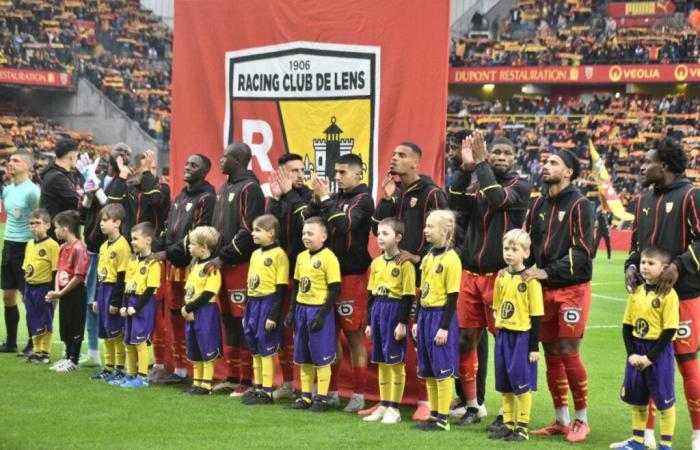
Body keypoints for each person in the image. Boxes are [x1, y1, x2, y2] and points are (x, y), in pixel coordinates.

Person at [448, 132, 531, 427]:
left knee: (505, 344)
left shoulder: (521, 186)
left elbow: (496, 198)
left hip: (501, 278)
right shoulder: (476, 181)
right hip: (470, 274)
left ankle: (506, 413)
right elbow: (452, 201)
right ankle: (473, 405)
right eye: (496, 153)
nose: (500, 158)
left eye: (506, 154)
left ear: (515, 158)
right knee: (465, 341)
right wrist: (465, 169)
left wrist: (480, 164)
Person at [623, 138, 700, 450]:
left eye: (648, 161)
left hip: (683, 296)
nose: (643, 166)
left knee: (686, 364)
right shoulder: (643, 199)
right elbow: (635, 244)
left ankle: (697, 435)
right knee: (645, 360)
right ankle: (645, 437)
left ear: (664, 166)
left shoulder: (691, 195)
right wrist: (630, 265)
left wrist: (678, 267)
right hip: (646, 299)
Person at [371, 142, 448, 420]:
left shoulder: (431, 193)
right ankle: (388, 401)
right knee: (395, 337)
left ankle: (427, 401)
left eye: (401, 155)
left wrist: (418, 258)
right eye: (393, 154)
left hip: (425, 279)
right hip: (395, 278)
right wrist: (388, 200)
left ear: (415, 162)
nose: (394, 158)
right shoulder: (396, 193)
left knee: (421, 337)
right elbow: (377, 229)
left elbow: (445, 233)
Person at [524, 149, 594, 442]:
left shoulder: (580, 204)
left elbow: (583, 253)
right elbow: (527, 243)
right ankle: (561, 419)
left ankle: (582, 419)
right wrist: (517, 268)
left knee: (567, 350)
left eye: (553, 163)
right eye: (545, 162)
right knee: (550, 353)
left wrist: (547, 272)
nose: (546, 166)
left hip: (571, 288)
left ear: (568, 172)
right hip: (545, 288)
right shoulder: (539, 203)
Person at [304, 153, 375, 411]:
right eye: (336, 172)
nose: (337, 177)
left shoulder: (363, 200)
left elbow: (344, 226)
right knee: (328, 336)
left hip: (351, 277)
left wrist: (324, 199)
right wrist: (315, 202)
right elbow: (310, 225)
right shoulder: (333, 199)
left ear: (359, 174)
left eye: (343, 172)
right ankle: (331, 391)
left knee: (354, 336)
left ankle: (359, 395)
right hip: (324, 277)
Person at [149, 154, 216, 385]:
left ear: (204, 172)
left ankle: (192, 372)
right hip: (172, 267)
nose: (187, 167)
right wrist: (155, 248)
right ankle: (177, 369)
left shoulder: (207, 198)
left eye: (193, 165)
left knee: (191, 315)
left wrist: (167, 253)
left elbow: (197, 235)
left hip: (191, 267)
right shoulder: (179, 196)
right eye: (187, 163)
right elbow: (167, 229)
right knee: (175, 316)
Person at [207, 143, 264, 396]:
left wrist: (224, 257)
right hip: (221, 263)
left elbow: (247, 231)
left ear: (239, 159)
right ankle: (231, 375)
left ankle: (248, 380)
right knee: (228, 320)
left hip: (239, 265)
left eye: (225, 156)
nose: (220, 160)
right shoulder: (224, 187)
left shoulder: (250, 188)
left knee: (243, 321)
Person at [617, 246, 678, 450]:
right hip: (637, 348)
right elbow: (626, 326)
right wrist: (632, 354)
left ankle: (666, 445)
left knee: (664, 400)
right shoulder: (636, 292)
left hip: (658, 352)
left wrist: (649, 358)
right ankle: (637, 441)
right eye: (643, 262)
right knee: (638, 398)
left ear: (664, 268)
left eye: (651, 263)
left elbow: (669, 331)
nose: (645, 267)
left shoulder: (669, 295)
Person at [490, 229, 543, 442]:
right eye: (506, 249)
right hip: (503, 336)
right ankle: (508, 423)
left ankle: (522, 427)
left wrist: (533, 347)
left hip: (521, 338)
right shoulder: (501, 277)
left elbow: (537, 315)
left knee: (521, 383)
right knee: (504, 383)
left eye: (514, 249)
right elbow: (496, 306)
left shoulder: (530, 280)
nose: (509, 253)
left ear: (526, 253)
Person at [267, 153, 312, 400]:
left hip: (304, 274)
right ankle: (286, 382)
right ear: (282, 173)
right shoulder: (278, 198)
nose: (299, 174)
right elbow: (269, 230)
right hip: (278, 274)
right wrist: (275, 199)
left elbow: (307, 222)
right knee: (282, 329)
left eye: (301, 169)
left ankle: (311, 387)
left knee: (304, 330)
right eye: (293, 170)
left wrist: (290, 195)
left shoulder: (308, 196)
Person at [284, 217, 341, 412]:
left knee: (321, 356)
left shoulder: (329, 258)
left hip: (318, 310)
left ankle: (321, 399)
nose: (305, 237)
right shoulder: (301, 257)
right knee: (303, 356)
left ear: (323, 237)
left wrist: (322, 315)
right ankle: (305, 396)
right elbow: (297, 286)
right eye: (304, 233)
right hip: (302, 309)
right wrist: (292, 311)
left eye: (310, 233)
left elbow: (334, 289)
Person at [412, 210, 461, 432]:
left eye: (431, 226)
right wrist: (415, 319)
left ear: (445, 231)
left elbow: (453, 297)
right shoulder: (429, 256)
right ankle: (433, 415)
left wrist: (443, 327)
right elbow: (422, 290)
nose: (425, 230)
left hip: (441, 316)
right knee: (429, 369)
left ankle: (443, 418)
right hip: (425, 315)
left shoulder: (452, 259)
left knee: (442, 369)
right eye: (426, 225)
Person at [363, 218, 415, 424]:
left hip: (394, 311)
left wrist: (402, 323)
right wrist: (369, 322)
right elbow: (371, 296)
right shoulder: (376, 263)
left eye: (385, 233)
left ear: (398, 237)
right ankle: (384, 404)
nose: (380, 238)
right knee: (382, 362)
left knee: (395, 362)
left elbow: (408, 296)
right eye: (378, 233)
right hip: (378, 311)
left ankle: (395, 408)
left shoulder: (405, 264)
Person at [242, 214, 289, 405]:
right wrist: (246, 310)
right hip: (253, 303)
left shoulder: (279, 255)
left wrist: (273, 315)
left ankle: (268, 391)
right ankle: (258, 387)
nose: (253, 233)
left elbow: (281, 288)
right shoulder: (255, 254)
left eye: (258, 230)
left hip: (267, 302)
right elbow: (249, 284)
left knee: (266, 346)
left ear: (271, 233)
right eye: (253, 229)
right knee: (254, 346)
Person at [0, 151, 40, 355]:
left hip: (26, 247)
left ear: (27, 166)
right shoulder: (6, 190)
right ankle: (11, 342)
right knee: (8, 296)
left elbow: (39, 218)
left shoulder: (32, 192)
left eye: (16, 160)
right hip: (8, 245)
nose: (10, 163)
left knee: (27, 297)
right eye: (10, 160)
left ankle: (34, 343)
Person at [91, 204, 132, 383]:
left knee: (116, 332)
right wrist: (95, 298)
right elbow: (100, 274)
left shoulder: (123, 246)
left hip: (113, 290)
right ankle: (108, 367)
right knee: (105, 332)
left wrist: (116, 302)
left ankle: (120, 368)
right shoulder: (103, 246)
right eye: (101, 220)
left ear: (117, 223)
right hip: (102, 290)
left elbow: (122, 276)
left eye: (105, 220)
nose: (101, 223)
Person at [118, 222, 161, 388]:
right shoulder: (133, 260)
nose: (132, 242)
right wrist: (123, 304)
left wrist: (136, 307)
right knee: (128, 341)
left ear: (148, 240)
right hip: (130, 302)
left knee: (139, 341)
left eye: (136, 239)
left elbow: (151, 289)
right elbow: (126, 285)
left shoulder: (153, 263)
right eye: (131, 239)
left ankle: (142, 377)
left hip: (144, 304)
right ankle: (130, 374)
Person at [181, 226, 223, 395]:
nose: (189, 247)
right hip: (192, 312)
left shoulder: (211, 268)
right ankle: (196, 382)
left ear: (204, 247)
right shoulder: (194, 266)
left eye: (192, 244)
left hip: (206, 311)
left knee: (207, 345)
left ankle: (206, 384)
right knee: (194, 346)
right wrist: (186, 307)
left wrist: (190, 307)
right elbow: (188, 289)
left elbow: (209, 292)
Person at [46, 210, 89, 372]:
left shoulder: (79, 248)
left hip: (76, 293)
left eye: (56, 227)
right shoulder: (63, 247)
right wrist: (57, 291)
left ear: (65, 229)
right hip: (63, 292)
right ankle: (66, 357)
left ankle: (74, 360)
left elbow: (78, 276)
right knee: (65, 325)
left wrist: (61, 293)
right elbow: (58, 271)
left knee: (75, 324)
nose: (54, 231)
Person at [80, 155, 111, 367]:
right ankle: (93, 352)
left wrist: (98, 191)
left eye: (101, 168)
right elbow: (83, 218)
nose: (98, 171)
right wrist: (88, 196)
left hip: (110, 255)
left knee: (108, 304)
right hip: (91, 254)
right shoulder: (92, 187)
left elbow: (114, 211)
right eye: (95, 169)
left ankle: (115, 357)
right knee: (89, 303)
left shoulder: (115, 187)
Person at [22, 208, 59, 364]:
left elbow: (55, 269)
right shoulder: (29, 244)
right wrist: (24, 290)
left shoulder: (52, 245)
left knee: (45, 319)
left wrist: (52, 290)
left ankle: (45, 353)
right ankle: (36, 351)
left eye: (38, 223)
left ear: (48, 226)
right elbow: (26, 268)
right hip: (30, 287)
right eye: (31, 223)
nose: (33, 226)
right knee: (33, 319)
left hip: (44, 288)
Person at [40, 139, 82, 237]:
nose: (78, 159)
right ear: (71, 157)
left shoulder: (55, 174)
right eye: (77, 156)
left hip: (59, 233)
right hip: (59, 236)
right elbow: (76, 203)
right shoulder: (58, 177)